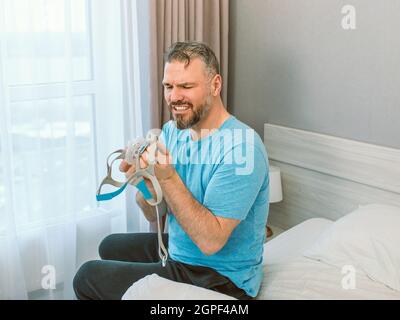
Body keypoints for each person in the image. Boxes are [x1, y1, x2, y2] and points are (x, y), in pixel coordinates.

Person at [73, 41, 269, 300]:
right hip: (181, 252)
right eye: (169, 86)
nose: (175, 97)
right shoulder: (173, 131)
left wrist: (167, 176)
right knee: (109, 245)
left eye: (186, 86)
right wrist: (141, 180)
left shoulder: (242, 148)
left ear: (215, 85)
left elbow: (210, 242)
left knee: (87, 276)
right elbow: (155, 214)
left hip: (220, 278)